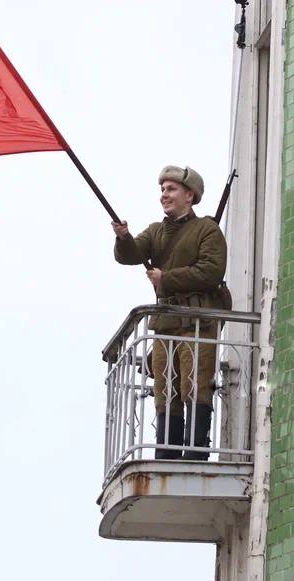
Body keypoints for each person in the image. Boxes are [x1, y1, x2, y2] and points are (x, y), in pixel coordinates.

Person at [111, 165, 229, 460]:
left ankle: (195, 450)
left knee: (195, 383)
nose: (165, 194)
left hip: (197, 320)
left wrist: (167, 279)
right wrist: (124, 237)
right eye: (162, 189)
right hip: (166, 323)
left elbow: (211, 272)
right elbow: (131, 255)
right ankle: (167, 450)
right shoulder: (156, 231)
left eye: (171, 189)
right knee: (165, 386)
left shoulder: (207, 230)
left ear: (189, 195)